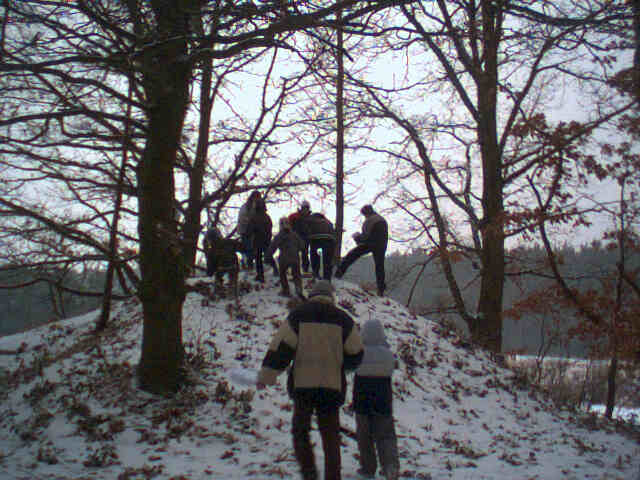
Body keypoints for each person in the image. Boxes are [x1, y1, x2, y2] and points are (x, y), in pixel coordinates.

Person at [256, 280, 365, 480]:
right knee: (330, 436)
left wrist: (267, 376)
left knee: (300, 432)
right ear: (331, 297)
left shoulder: (298, 316)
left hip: (302, 386)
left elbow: (281, 349)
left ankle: (309, 474)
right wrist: (342, 365)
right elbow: (357, 353)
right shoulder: (344, 320)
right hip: (331, 387)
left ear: (312, 294)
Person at [352, 319, 399, 480]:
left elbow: (351, 367)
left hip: (362, 401)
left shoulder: (359, 353)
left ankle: (368, 468)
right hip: (383, 401)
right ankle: (390, 466)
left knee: (364, 437)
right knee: (386, 436)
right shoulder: (388, 355)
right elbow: (392, 369)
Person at [335, 205, 388, 296]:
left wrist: (357, 237)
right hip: (382, 244)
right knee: (379, 266)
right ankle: (381, 289)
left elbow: (365, 238)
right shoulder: (382, 219)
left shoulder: (369, 221)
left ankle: (338, 275)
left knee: (351, 255)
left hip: (370, 242)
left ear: (366, 213)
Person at [267, 217, 306, 298]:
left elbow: (273, 247)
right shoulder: (294, 235)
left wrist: (268, 255)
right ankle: (298, 289)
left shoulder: (279, 235)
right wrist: (296, 249)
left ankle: (286, 290)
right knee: (296, 274)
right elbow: (302, 245)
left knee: (282, 273)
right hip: (295, 257)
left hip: (284, 257)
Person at [248, 197, 278, 283]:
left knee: (258, 258)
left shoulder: (254, 217)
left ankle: (260, 275)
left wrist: (250, 235)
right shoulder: (267, 217)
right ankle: (275, 269)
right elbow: (270, 227)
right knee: (267, 255)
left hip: (258, 240)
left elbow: (250, 229)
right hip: (266, 239)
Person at [300, 212, 336, 281]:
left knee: (315, 257)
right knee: (327, 260)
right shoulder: (328, 222)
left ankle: (316, 274)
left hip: (316, 239)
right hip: (330, 240)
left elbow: (305, 230)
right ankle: (327, 278)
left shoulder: (311, 220)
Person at [237, 191, 262, 269]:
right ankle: (248, 264)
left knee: (250, 247)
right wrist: (251, 222)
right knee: (248, 247)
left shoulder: (252, 205)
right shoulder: (247, 206)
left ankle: (248, 263)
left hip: (250, 229)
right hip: (246, 230)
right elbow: (244, 218)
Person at [288, 200, 312, 273]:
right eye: (304, 208)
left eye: (307, 208)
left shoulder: (311, 218)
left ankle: (305, 269)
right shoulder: (294, 216)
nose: (305, 210)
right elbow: (289, 225)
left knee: (305, 254)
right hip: (295, 237)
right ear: (301, 208)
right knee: (294, 254)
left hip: (306, 238)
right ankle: (294, 270)